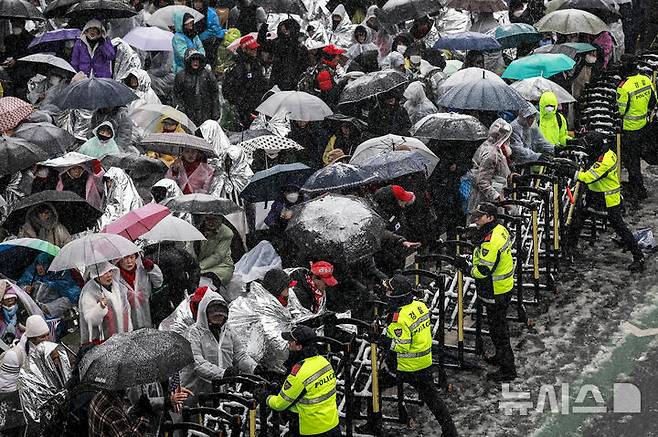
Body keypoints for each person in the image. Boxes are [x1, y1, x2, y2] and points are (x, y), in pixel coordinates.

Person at [381, 274, 458, 436]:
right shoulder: (419, 305)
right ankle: (450, 431)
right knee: (433, 399)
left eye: (390, 291)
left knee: (374, 386)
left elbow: (400, 347)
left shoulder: (399, 319)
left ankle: (372, 423)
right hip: (424, 362)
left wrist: (383, 340)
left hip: (406, 367)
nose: (387, 294)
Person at [565, 131, 645, 272]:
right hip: (594, 194)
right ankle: (570, 248)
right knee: (578, 219)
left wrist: (569, 172)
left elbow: (588, 177)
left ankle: (638, 256)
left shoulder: (605, 160)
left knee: (619, 226)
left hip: (608, 199)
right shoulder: (603, 151)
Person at [466, 203, 516, 381]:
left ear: (490, 218)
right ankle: (501, 358)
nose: (476, 219)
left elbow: (483, 271)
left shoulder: (491, 240)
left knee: (499, 331)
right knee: (497, 328)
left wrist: (466, 268)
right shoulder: (499, 229)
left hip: (495, 291)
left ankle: (508, 370)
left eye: (480, 216)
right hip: (503, 288)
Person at [266, 325, 341, 436]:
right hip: (332, 426)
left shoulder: (300, 372)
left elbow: (279, 404)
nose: (288, 344)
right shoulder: (323, 362)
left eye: (291, 341)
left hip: (311, 430)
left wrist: (266, 397)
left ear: (299, 346)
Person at [181, 290, 257, 396]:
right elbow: (197, 363)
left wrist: (254, 368)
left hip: (222, 392)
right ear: (205, 313)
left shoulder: (229, 332)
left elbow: (240, 356)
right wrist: (222, 373)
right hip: (196, 393)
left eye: (221, 315)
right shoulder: (192, 334)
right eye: (214, 315)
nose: (218, 317)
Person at [617, 64, 657, 203]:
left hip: (630, 130)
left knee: (631, 161)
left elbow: (621, 111)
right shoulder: (645, 79)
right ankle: (637, 186)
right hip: (644, 126)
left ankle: (638, 189)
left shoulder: (624, 87)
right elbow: (653, 101)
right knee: (641, 156)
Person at [466, 118, 513, 223]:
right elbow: (482, 181)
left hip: (489, 203)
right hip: (485, 204)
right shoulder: (491, 154)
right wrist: (500, 199)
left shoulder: (493, 148)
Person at [372, 185, 422, 274]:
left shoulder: (396, 211)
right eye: (401, 201)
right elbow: (383, 235)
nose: (403, 205)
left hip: (398, 256)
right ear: (393, 202)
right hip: (389, 263)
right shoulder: (380, 218)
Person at [79, 262, 132, 345]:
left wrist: (130, 332)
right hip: (104, 343)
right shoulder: (89, 292)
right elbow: (90, 320)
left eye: (110, 271)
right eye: (104, 273)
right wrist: (100, 307)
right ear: (96, 275)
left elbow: (126, 311)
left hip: (124, 337)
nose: (109, 275)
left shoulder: (118, 287)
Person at [222, 35, 270, 127]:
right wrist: (241, 102)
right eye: (252, 49)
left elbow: (260, 81)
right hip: (242, 110)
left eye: (255, 48)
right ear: (245, 49)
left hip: (256, 106)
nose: (255, 51)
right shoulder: (236, 66)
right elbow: (228, 90)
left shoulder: (256, 63)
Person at [18, 253, 81, 319]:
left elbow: (72, 297)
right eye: (38, 264)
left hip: (53, 320)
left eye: (43, 264)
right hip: (31, 315)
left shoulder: (61, 277)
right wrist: (25, 288)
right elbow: (18, 288)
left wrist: (50, 308)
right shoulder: (31, 275)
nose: (40, 268)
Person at [0, 314, 50, 393]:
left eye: (48, 335)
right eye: (42, 337)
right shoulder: (13, 356)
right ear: (32, 338)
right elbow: (6, 387)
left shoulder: (43, 348)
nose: (47, 339)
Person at [173, 49, 220, 126]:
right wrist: (181, 111)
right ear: (188, 61)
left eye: (198, 60)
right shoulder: (181, 76)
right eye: (193, 60)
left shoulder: (208, 75)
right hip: (188, 113)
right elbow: (176, 95)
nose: (195, 62)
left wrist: (215, 110)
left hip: (206, 112)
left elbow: (214, 93)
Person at [259, 18, 308, 91]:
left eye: (284, 29)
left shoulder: (279, 43)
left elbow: (262, 43)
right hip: (288, 81)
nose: (283, 31)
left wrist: (263, 28)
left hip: (282, 80)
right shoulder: (299, 47)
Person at [117, 253, 163, 329]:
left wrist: (152, 268)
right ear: (118, 260)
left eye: (132, 257)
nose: (129, 261)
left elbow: (158, 283)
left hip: (147, 316)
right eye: (125, 258)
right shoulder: (114, 276)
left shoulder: (143, 270)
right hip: (127, 323)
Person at [189, 214, 235, 287]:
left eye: (214, 219)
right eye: (208, 219)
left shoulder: (227, 233)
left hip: (221, 266)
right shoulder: (197, 229)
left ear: (220, 220)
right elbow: (190, 250)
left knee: (211, 280)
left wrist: (198, 267)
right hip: (198, 265)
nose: (210, 222)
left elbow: (218, 256)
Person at [88, 389, 153, 436]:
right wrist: (144, 416)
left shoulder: (100, 394)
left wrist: (135, 409)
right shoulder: (112, 410)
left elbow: (118, 423)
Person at [192, 0, 226, 68]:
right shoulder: (191, 12)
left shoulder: (211, 13)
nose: (197, 4)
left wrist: (200, 37)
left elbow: (215, 29)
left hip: (207, 43)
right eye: (195, 2)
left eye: (199, 2)